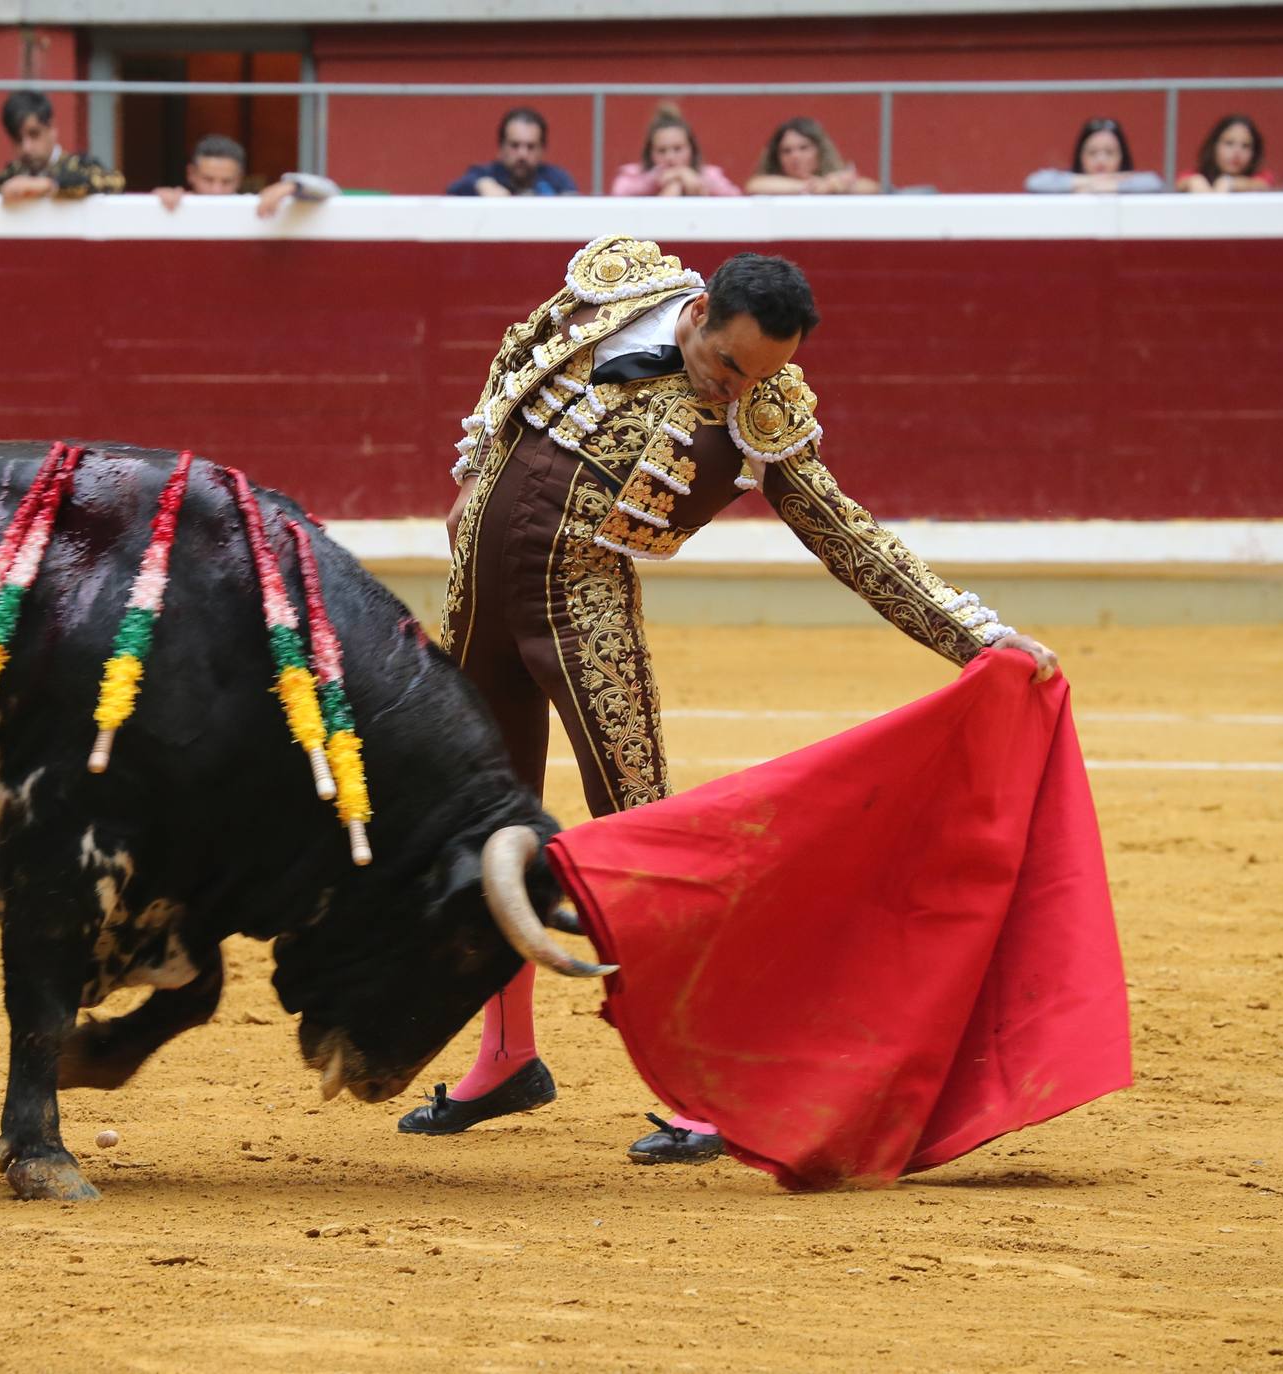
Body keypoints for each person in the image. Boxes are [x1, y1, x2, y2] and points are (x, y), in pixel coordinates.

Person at [404, 237, 1059, 1160]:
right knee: (476, 822)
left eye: (759, 374)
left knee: (640, 836)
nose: (732, 389)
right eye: (726, 362)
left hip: (580, 611)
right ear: (700, 310)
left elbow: (845, 535)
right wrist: (473, 464)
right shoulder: (617, 286)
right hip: (475, 592)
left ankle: (705, 1087)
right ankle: (508, 1056)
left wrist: (973, 636)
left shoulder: (762, 412)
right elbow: (518, 352)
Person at [0, 90, 124, 206]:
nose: (26, 148)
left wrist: (47, 184)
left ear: (52, 128)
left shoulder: (78, 165)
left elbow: (115, 182)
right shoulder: (10, 174)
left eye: (34, 134)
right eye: (18, 139)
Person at [154, 133, 341, 214]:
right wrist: (156, 204)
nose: (217, 190)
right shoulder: (176, 202)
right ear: (191, 174)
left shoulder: (253, 204)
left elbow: (331, 190)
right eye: (208, 180)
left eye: (226, 182)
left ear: (239, 179)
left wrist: (292, 186)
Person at [609, 106, 741, 197]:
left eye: (678, 149)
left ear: (691, 149)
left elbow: (736, 197)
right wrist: (655, 180)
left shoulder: (708, 174)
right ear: (650, 153)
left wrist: (697, 182)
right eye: (662, 151)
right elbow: (618, 192)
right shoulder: (635, 175)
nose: (670, 157)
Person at [446, 108, 578, 197]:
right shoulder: (484, 175)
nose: (522, 154)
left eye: (530, 147)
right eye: (514, 145)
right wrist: (480, 184)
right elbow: (453, 191)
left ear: (542, 150)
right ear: (501, 148)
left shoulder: (557, 181)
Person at [1026, 118, 1166, 194]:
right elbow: (1035, 182)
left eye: (1109, 152)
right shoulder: (1072, 181)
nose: (1101, 160)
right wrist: (1089, 181)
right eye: (1092, 153)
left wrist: (1113, 186)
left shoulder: (1131, 181)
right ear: (1080, 155)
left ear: (1122, 156)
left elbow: (1155, 183)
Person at [745, 117, 878, 195]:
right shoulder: (769, 183)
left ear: (820, 151)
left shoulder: (834, 180)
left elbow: (873, 188)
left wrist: (836, 185)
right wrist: (813, 187)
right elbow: (754, 185)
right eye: (786, 151)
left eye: (804, 148)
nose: (795, 156)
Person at [1178, 114, 1272, 194]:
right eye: (1229, 143)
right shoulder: (1195, 175)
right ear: (1214, 146)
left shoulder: (1261, 178)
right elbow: (1179, 184)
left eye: (1245, 146)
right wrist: (1194, 182)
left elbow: (1263, 185)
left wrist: (1231, 183)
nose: (1237, 152)